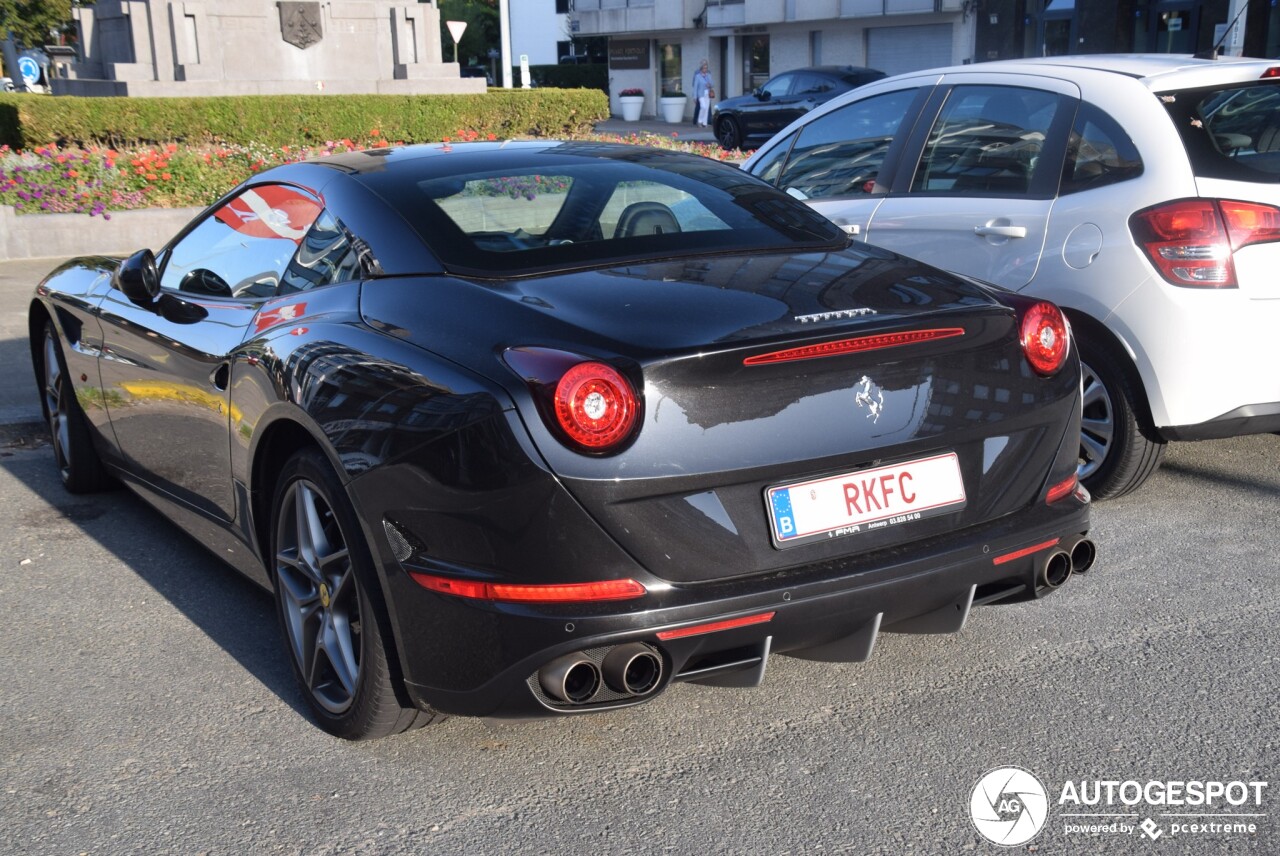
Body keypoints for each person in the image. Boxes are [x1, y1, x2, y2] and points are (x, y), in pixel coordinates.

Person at [692, 60, 715, 127]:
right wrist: (695, 97)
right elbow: (695, 87)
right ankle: (699, 121)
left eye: (706, 68)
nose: (705, 69)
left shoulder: (708, 75)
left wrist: (710, 85)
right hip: (700, 94)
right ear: (701, 69)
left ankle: (704, 123)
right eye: (704, 68)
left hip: (707, 94)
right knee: (703, 107)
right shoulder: (697, 76)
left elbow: (713, 84)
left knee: (707, 108)